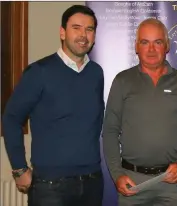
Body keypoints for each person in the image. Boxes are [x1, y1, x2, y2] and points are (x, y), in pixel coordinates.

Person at [2, 5, 105, 206]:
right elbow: (11, 118)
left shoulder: (96, 73)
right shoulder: (39, 72)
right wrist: (19, 168)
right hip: (50, 186)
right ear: (62, 32)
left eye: (89, 29)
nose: (83, 35)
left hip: (92, 182)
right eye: (76, 28)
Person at [102, 18, 177, 206]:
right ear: (136, 46)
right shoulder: (122, 81)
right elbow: (110, 131)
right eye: (144, 42)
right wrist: (117, 174)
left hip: (171, 183)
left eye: (157, 42)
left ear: (167, 46)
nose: (151, 49)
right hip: (132, 182)